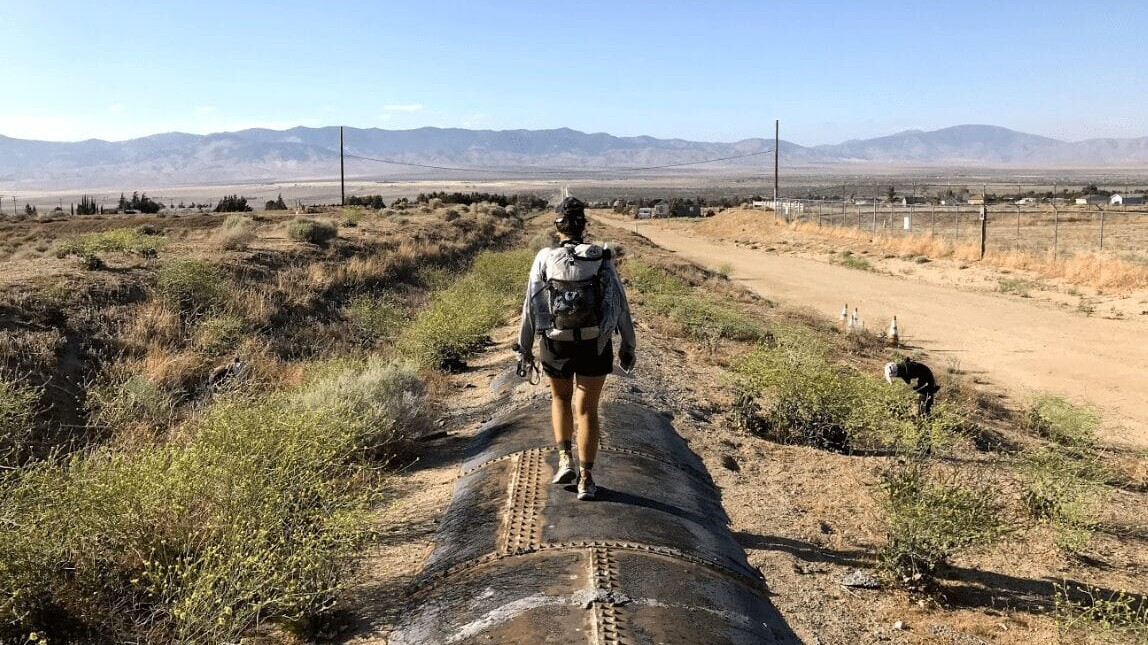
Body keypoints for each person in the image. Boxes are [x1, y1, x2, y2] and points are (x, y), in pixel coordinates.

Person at [517, 196, 637, 501]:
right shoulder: (601, 257)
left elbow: (530, 307)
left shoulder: (544, 257)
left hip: (556, 343)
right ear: (584, 225)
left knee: (559, 399)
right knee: (587, 411)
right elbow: (619, 303)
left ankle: (564, 461)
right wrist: (627, 344)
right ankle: (586, 479)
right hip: (594, 343)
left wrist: (524, 348)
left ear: (558, 227)